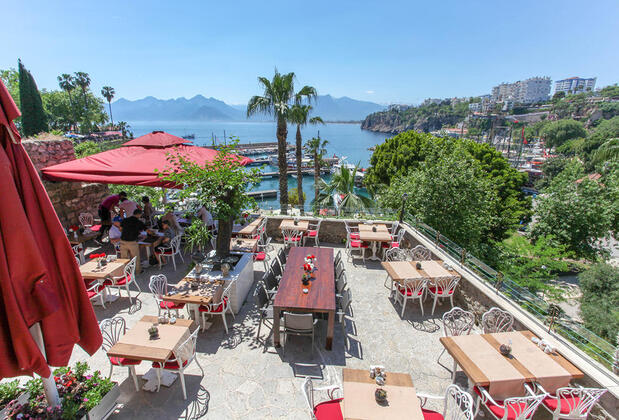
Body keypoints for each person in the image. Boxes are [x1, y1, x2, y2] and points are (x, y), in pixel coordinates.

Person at [120, 208, 146, 273]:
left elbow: (120, 229)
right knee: (135, 257)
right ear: (139, 214)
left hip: (123, 241)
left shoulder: (125, 220)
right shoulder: (139, 222)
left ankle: (126, 272)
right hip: (132, 242)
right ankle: (138, 271)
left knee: (124, 258)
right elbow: (146, 230)